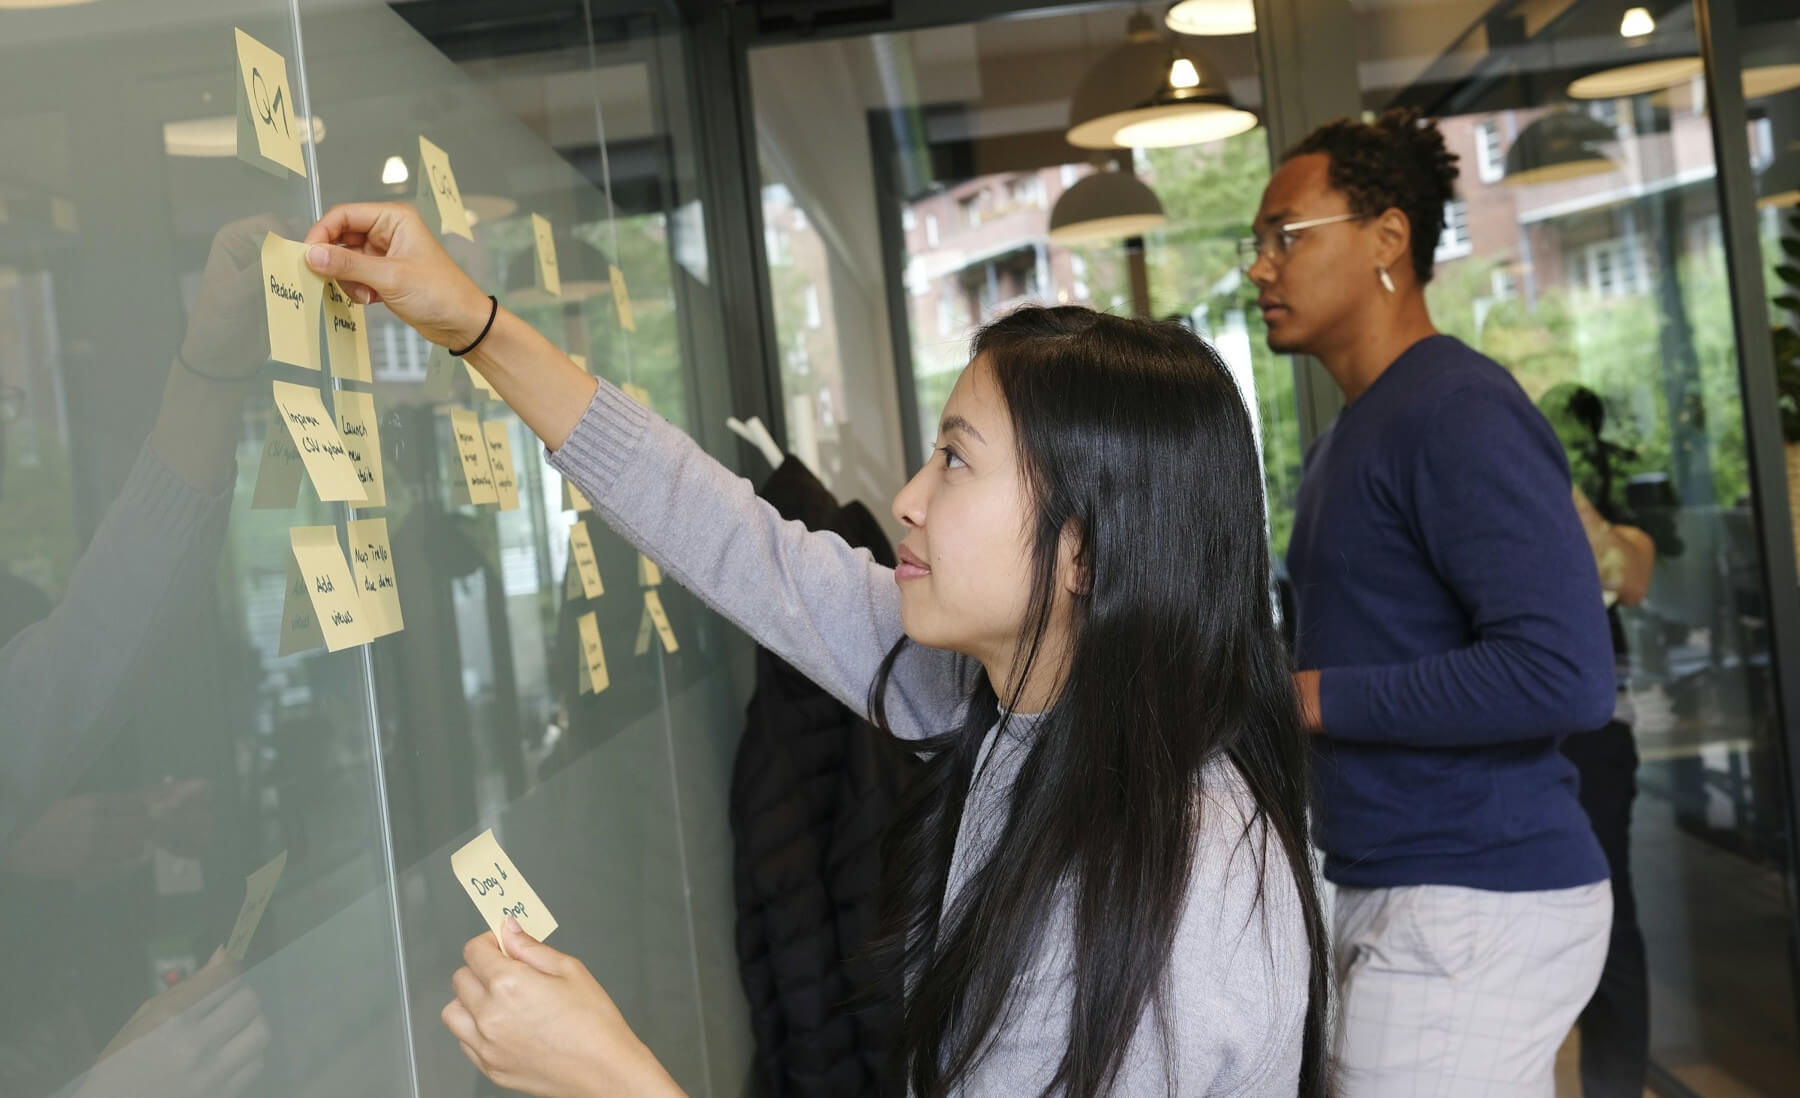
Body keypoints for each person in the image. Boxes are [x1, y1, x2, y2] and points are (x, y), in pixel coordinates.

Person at [302, 202, 1329, 1098]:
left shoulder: (1180, 878)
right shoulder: (997, 700)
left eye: (957, 463)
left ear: (1086, 552)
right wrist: (473, 325)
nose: (908, 501)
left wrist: (612, 1076)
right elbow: (728, 536)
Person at [1248, 109, 1617, 1095]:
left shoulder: (1457, 406)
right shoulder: (1348, 440)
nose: (1260, 268)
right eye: (1257, 244)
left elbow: (1565, 673)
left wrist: (1318, 697)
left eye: (1286, 234)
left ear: (1388, 238)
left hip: (1475, 892)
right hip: (1391, 880)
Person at [1542, 384, 1662, 1098]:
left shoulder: (1601, 513)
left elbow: (1631, 575)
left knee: (1612, 927)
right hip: (1526, 739)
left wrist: (1557, 479)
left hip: (1596, 739)